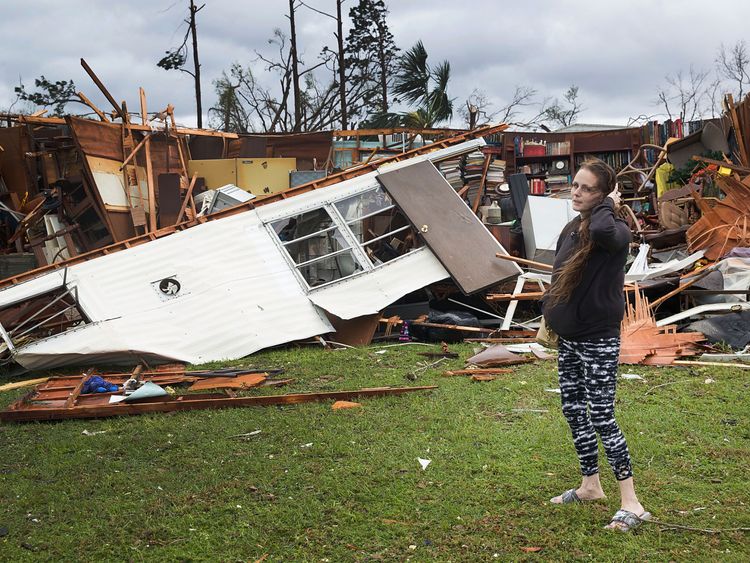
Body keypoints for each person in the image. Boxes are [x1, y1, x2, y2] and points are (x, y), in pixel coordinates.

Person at [542, 159, 650, 532]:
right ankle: (590, 485)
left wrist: (609, 203)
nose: (576, 192)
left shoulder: (614, 229)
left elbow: (605, 227)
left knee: (602, 416)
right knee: (573, 409)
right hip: (570, 337)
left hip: (598, 339)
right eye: (575, 185)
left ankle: (632, 502)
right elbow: (559, 272)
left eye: (587, 189)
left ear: (603, 194)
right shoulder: (574, 227)